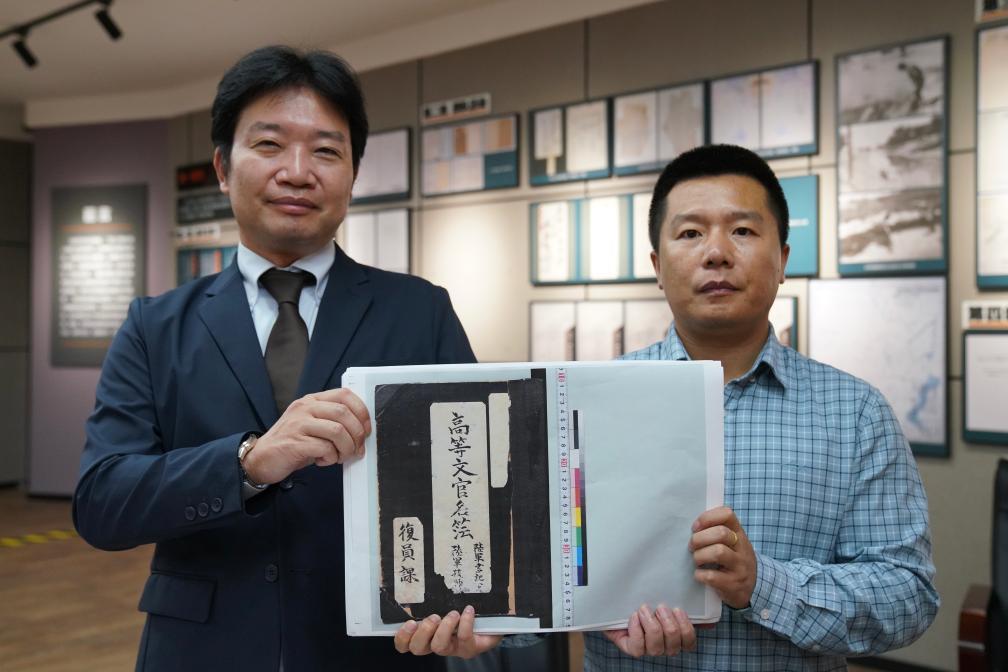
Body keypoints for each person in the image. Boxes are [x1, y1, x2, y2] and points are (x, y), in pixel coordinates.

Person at [395, 144, 938, 670]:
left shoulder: (854, 413)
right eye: (690, 233)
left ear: (783, 260)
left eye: (743, 230)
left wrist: (761, 584)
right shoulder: (586, 401)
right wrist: (491, 623)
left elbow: (908, 594)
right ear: (658, 265)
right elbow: (549, 568)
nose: (717, 252)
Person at [73, 46, 474, 672]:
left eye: (326, 151)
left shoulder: (420, 310)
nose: (297, 171)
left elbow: (472, 478)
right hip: (202, 649)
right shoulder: (156, 326)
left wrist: (478, 611)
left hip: (377, 649)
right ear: (223, 167)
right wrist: (247, 463)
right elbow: (103, 503)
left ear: (353, 174)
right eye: (269, 145)